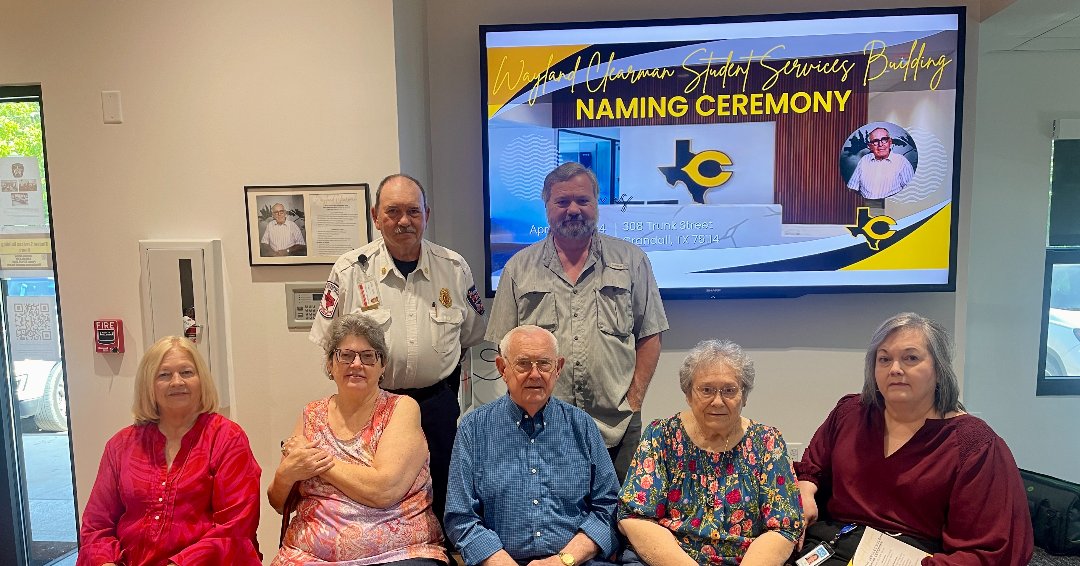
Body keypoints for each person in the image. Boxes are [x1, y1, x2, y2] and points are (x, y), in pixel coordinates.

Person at [309, 173, 486, 526]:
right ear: (376, 216)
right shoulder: (349, 271)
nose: (403, 221)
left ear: (427, 214)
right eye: (392, 211)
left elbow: (471, 333)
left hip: (436, 403)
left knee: (445, 492)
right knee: (377, 498)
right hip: (371, 405)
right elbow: (330, 344)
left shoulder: (453, 268)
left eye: (412, 211)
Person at [795, 313, 1034, 565]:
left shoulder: (975, 446)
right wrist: (806, 491)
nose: (895, 369)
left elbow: (990, 551)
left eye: (911, 358)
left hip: (918, 556)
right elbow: (813, 467)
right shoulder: (850, 413)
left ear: (939, 370)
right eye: (884, 359)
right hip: (833, 542)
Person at [486, 162, 668, 481]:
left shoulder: (631, 261)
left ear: (596, 204)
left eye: (583, 201)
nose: (573, 210)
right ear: (547, 207)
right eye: (562, 202)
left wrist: (635, 400)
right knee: (547, 521)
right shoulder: (518, 269)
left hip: (617, 425)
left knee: (621, 520)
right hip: (540, 424)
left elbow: (650, 334)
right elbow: (503, 348)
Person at [271, 313, 446, 565]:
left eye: (368, 356)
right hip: (308, 555)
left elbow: (383, 490)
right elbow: (279, 503)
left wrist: (318, 461)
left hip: (397, 554)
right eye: (345, 355)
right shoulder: (311, 414)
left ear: (382, 365)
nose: (356, 364)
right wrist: (287, 473)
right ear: (331, 364)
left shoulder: (401, 408)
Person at [445, 325, 620, 566]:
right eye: (524, 364)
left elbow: (609, 507)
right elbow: (460, 517)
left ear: (558, 368)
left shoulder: (582, 426)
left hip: (575, 562)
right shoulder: (473, 428)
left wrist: (563, 560)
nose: (535, 374)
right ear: (502, 368)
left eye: (544, 364)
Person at [78, 336, 262, 566]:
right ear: (148, 385)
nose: (177, 382)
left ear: (201, 380)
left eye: (186, 372)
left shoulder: (227, 438)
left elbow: (236, 527)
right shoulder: (120, 445)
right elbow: (96, 525)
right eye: (164, 375)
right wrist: (105, 562)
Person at [618, 340, 802, 566]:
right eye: (706, 390)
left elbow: (783, 527)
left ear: (744, 396)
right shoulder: (661, 435)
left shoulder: (767, 442)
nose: (717, 401)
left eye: (729, 390)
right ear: (688, 394)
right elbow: (636, 517)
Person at [846, 126, 915, 203]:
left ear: (890, 142)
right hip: (865, 206)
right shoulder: (864, 160)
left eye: (884, 140)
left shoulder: (902, 162)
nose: (880, 144)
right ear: (870, 146)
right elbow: (852, 188)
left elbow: (910, 193)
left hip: (891, 209)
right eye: (875, 141)